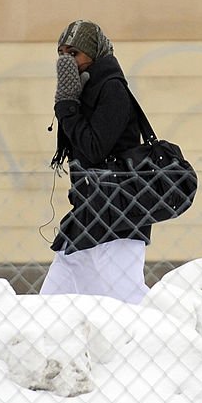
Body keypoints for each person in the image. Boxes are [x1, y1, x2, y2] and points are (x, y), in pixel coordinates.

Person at [42, 20, 150, 302]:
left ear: (94, 54)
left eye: (74, 53)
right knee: (51, 304)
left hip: (118, 211)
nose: (67, 60)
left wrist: (66, 104)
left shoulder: (111, 89)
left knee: (129, 303)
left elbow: (93, 148)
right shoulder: (84, 90)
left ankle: (161, 343)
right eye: (61, 53)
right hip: (87, 211)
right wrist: (70, 101)